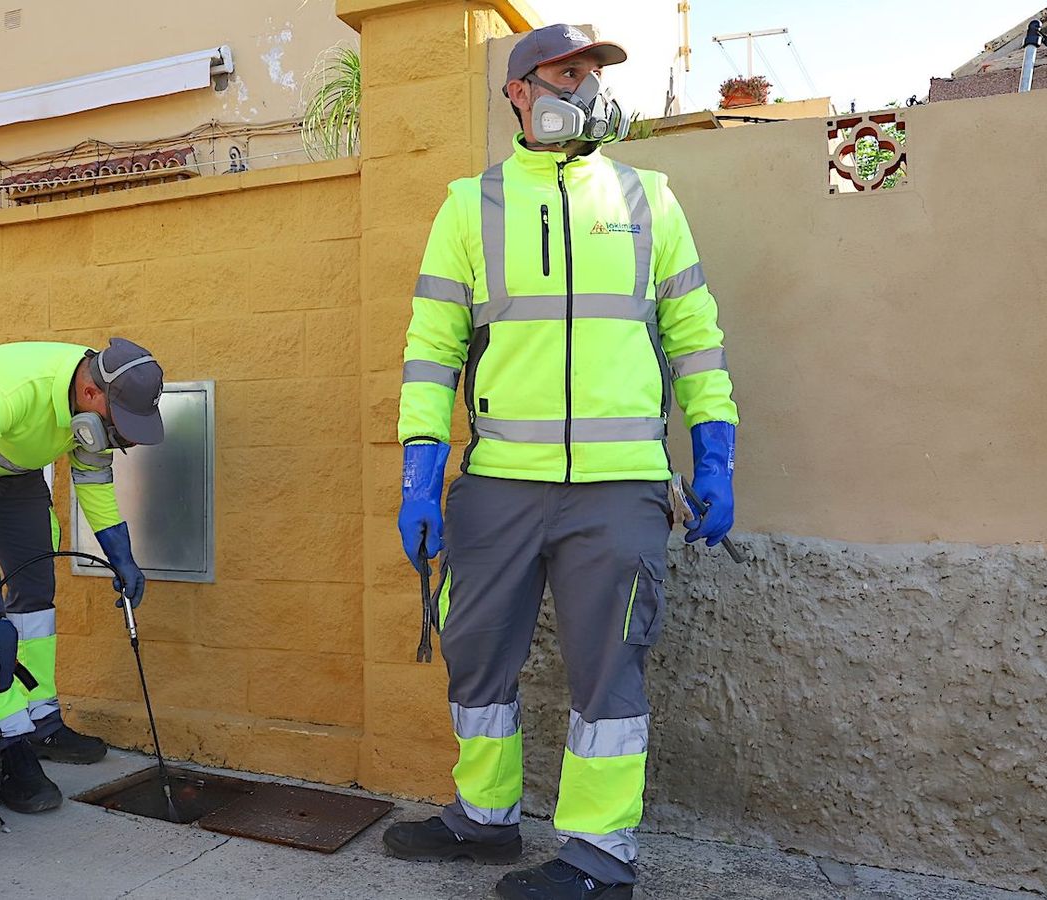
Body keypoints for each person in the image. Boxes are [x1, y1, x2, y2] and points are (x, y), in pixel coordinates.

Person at [381, 23, 739, 900]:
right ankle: (485, 818)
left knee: (607, 672)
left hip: (618, 492)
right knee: (476, 657)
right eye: (566, 71)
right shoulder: (471, 206)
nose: (583, 87)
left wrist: (715, 451)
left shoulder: (649, 197)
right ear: (518, 91)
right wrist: (420, 471)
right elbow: (432, 349)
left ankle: (599, 858)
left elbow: (694, 339)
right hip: (501, 484)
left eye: (592, 73)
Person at [0, 339, 164, 812]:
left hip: (15, 471)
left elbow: (92, 481)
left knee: (37, 596)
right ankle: (7, 746)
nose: (119, 436)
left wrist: (122, 556)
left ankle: (41, 720)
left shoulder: (87, 413)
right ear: (90, 393)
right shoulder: (8, 392)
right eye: (118, 424)